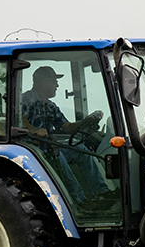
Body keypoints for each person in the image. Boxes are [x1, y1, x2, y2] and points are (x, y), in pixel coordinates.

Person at [20, 66, 111, 203]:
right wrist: (33, 130)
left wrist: (85, 122)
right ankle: (79, 201)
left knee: (83, 152)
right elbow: (18, 116)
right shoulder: (25, 99)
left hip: (50, 145)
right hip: (33, 148)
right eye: (53, 81)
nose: (57, 85)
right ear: (44, 82)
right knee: (57, 155)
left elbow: (67, 127)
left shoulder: (51, 106)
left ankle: (101, 193)